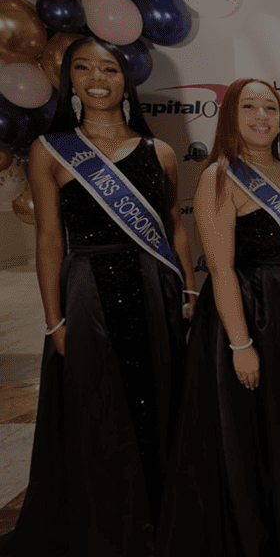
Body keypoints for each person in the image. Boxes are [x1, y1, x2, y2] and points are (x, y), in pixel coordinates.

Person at [0, 36, 196, 556]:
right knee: (98, 412)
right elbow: (49, 240)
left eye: (109, 69)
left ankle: (160, 524)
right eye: (83, 68)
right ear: (70, 80)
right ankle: (108, 529)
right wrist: (54, 320)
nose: (97, 78)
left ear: (125, 81)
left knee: (160, 404)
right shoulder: (51, 149)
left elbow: (175, 227)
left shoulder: (160, 152)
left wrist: (188, 288)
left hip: (155, 291)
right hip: (88, 294)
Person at [156, 79, 280, 556]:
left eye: (269, 108)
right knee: (253, 430)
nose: (261, 116)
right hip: (249, 317)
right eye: (249, 107)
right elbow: (220, 268)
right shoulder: (220, 175)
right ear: (231, 115)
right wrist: (240, 343)